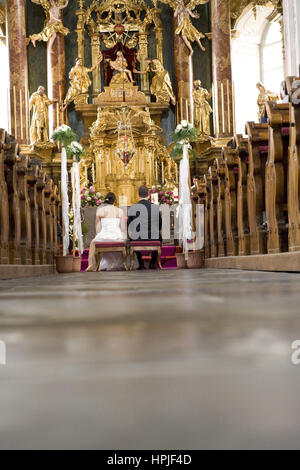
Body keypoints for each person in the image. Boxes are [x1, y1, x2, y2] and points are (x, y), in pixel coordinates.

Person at [85, 192, 127, 272]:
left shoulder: (100, 210)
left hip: (104, 235)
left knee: (93, 243)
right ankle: (122, 263)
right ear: (115, 201)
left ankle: (91, 265)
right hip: (117, 235)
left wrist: (101, 234)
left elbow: (97, 227)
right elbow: (122, 227)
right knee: (125, 241)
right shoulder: (120, 211)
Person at [128, 185, 162, 270]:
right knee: (159, 236)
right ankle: (152, 263)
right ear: (149, 194)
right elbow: (159, 224)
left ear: (138, 195)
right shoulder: (155, 207)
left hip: (137, 238)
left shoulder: (133, 207)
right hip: (153, 237)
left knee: (132, 237)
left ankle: (141, 264)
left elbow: (130, 225)